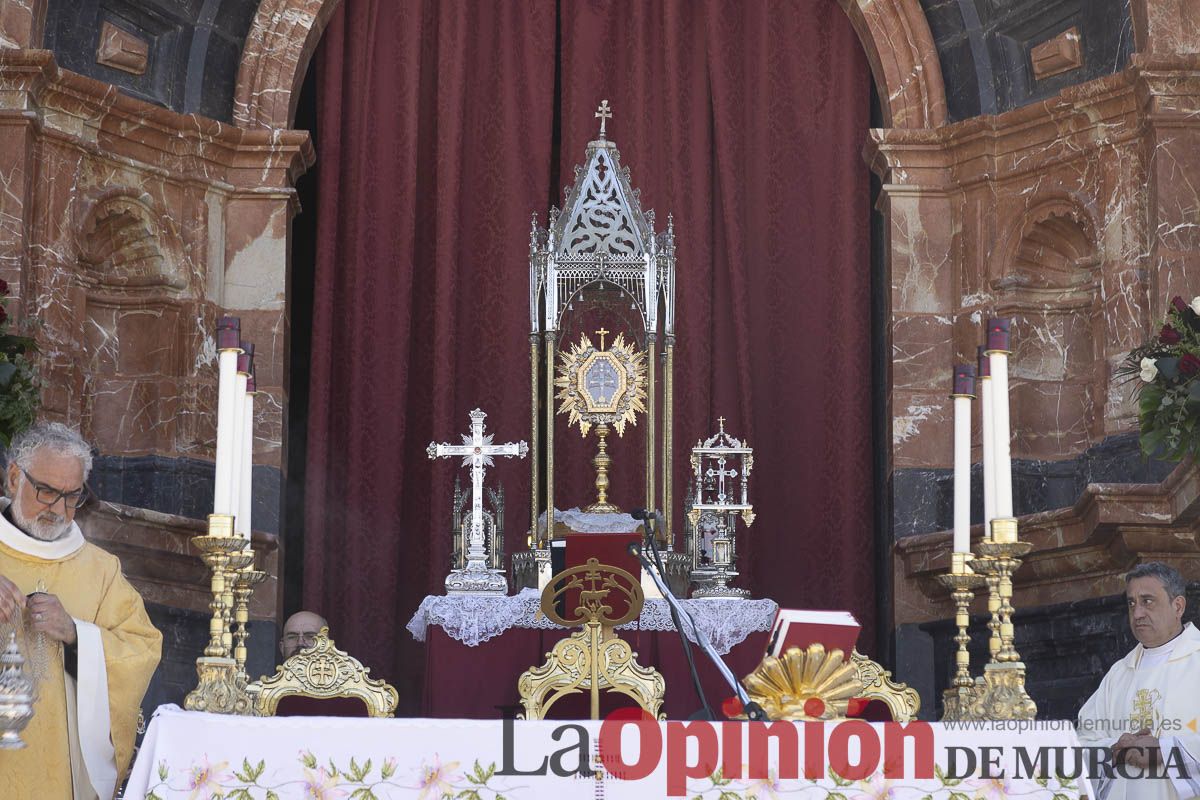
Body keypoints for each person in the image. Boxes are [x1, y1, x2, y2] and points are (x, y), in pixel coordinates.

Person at [0, 422, 161, 800]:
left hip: (58, 768)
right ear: (12, 478)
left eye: (72, 496)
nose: (58, 509)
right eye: (47, 491)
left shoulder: (101, 570)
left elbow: (143, 648)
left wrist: (77, 634)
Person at [1077, 562, 1200, 799]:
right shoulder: (1119, 673)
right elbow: (1083, 742)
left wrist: (1165, 751)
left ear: (1178, 606)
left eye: (1147, 601)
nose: (1137, 613)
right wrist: (1117, 748)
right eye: (1131, 603)